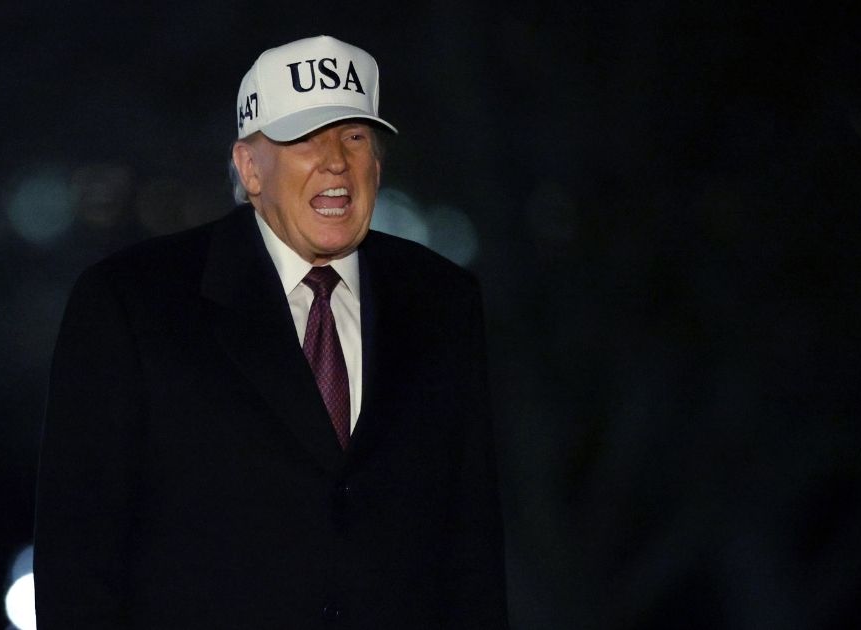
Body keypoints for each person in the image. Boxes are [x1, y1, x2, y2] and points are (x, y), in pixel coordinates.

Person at [34, 34, 507, 629]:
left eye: (355, 136)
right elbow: (78, 562)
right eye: (307, 136)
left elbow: (472, 549)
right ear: (250, 169)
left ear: (377, 164)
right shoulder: (133, 304)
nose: (337, 161)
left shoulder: (441, 301)